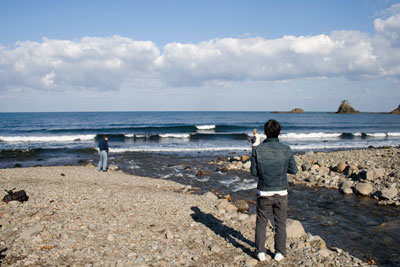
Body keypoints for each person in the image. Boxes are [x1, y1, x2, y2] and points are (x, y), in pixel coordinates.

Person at [250, 119, 298, 262]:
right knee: (280, 223)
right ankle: (279, 252)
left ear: (265, 133)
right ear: (280, 132)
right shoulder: (286, 149)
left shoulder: (258, 150)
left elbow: (253, 172)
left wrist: (253, 149)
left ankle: (260, 252)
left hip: (264, 192)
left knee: (261, 222)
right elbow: (294, 170)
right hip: (281, 192)